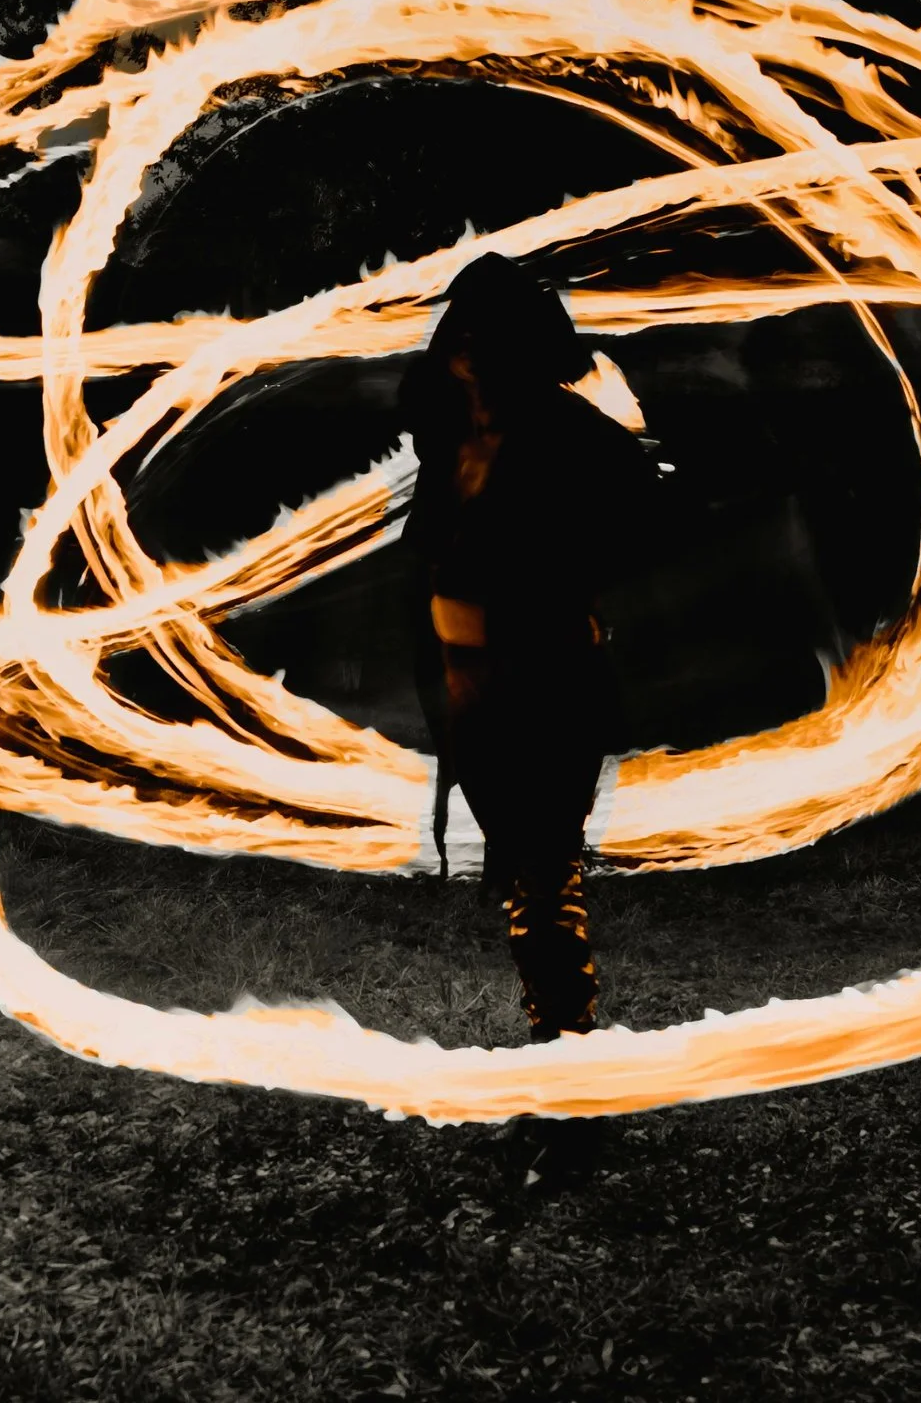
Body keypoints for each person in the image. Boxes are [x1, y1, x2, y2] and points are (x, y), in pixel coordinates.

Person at [398, 253, 658, 1187]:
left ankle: (573, 1097)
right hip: (478, 690)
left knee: (545, 878)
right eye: (457, 338)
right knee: (525, 877)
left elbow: (634, 521)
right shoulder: (459, 435)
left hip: (546, 684)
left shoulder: (569, 439)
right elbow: (432, 554)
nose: (460, 354)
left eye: (477, 340)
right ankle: (559, 1064)